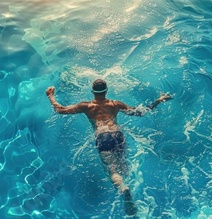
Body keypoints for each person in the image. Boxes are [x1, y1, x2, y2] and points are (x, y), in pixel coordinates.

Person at [45, 79, 173, 215]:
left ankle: (123, 188)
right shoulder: (115, 104)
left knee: (112, 171)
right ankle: (132, 198)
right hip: (118, 135)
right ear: (106, 91)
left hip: (103, 137)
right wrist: (159, 100)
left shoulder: (86, 106)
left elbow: (60, 110)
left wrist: (50, 95)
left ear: (92, 92)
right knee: (123, 166)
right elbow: (139, 112)